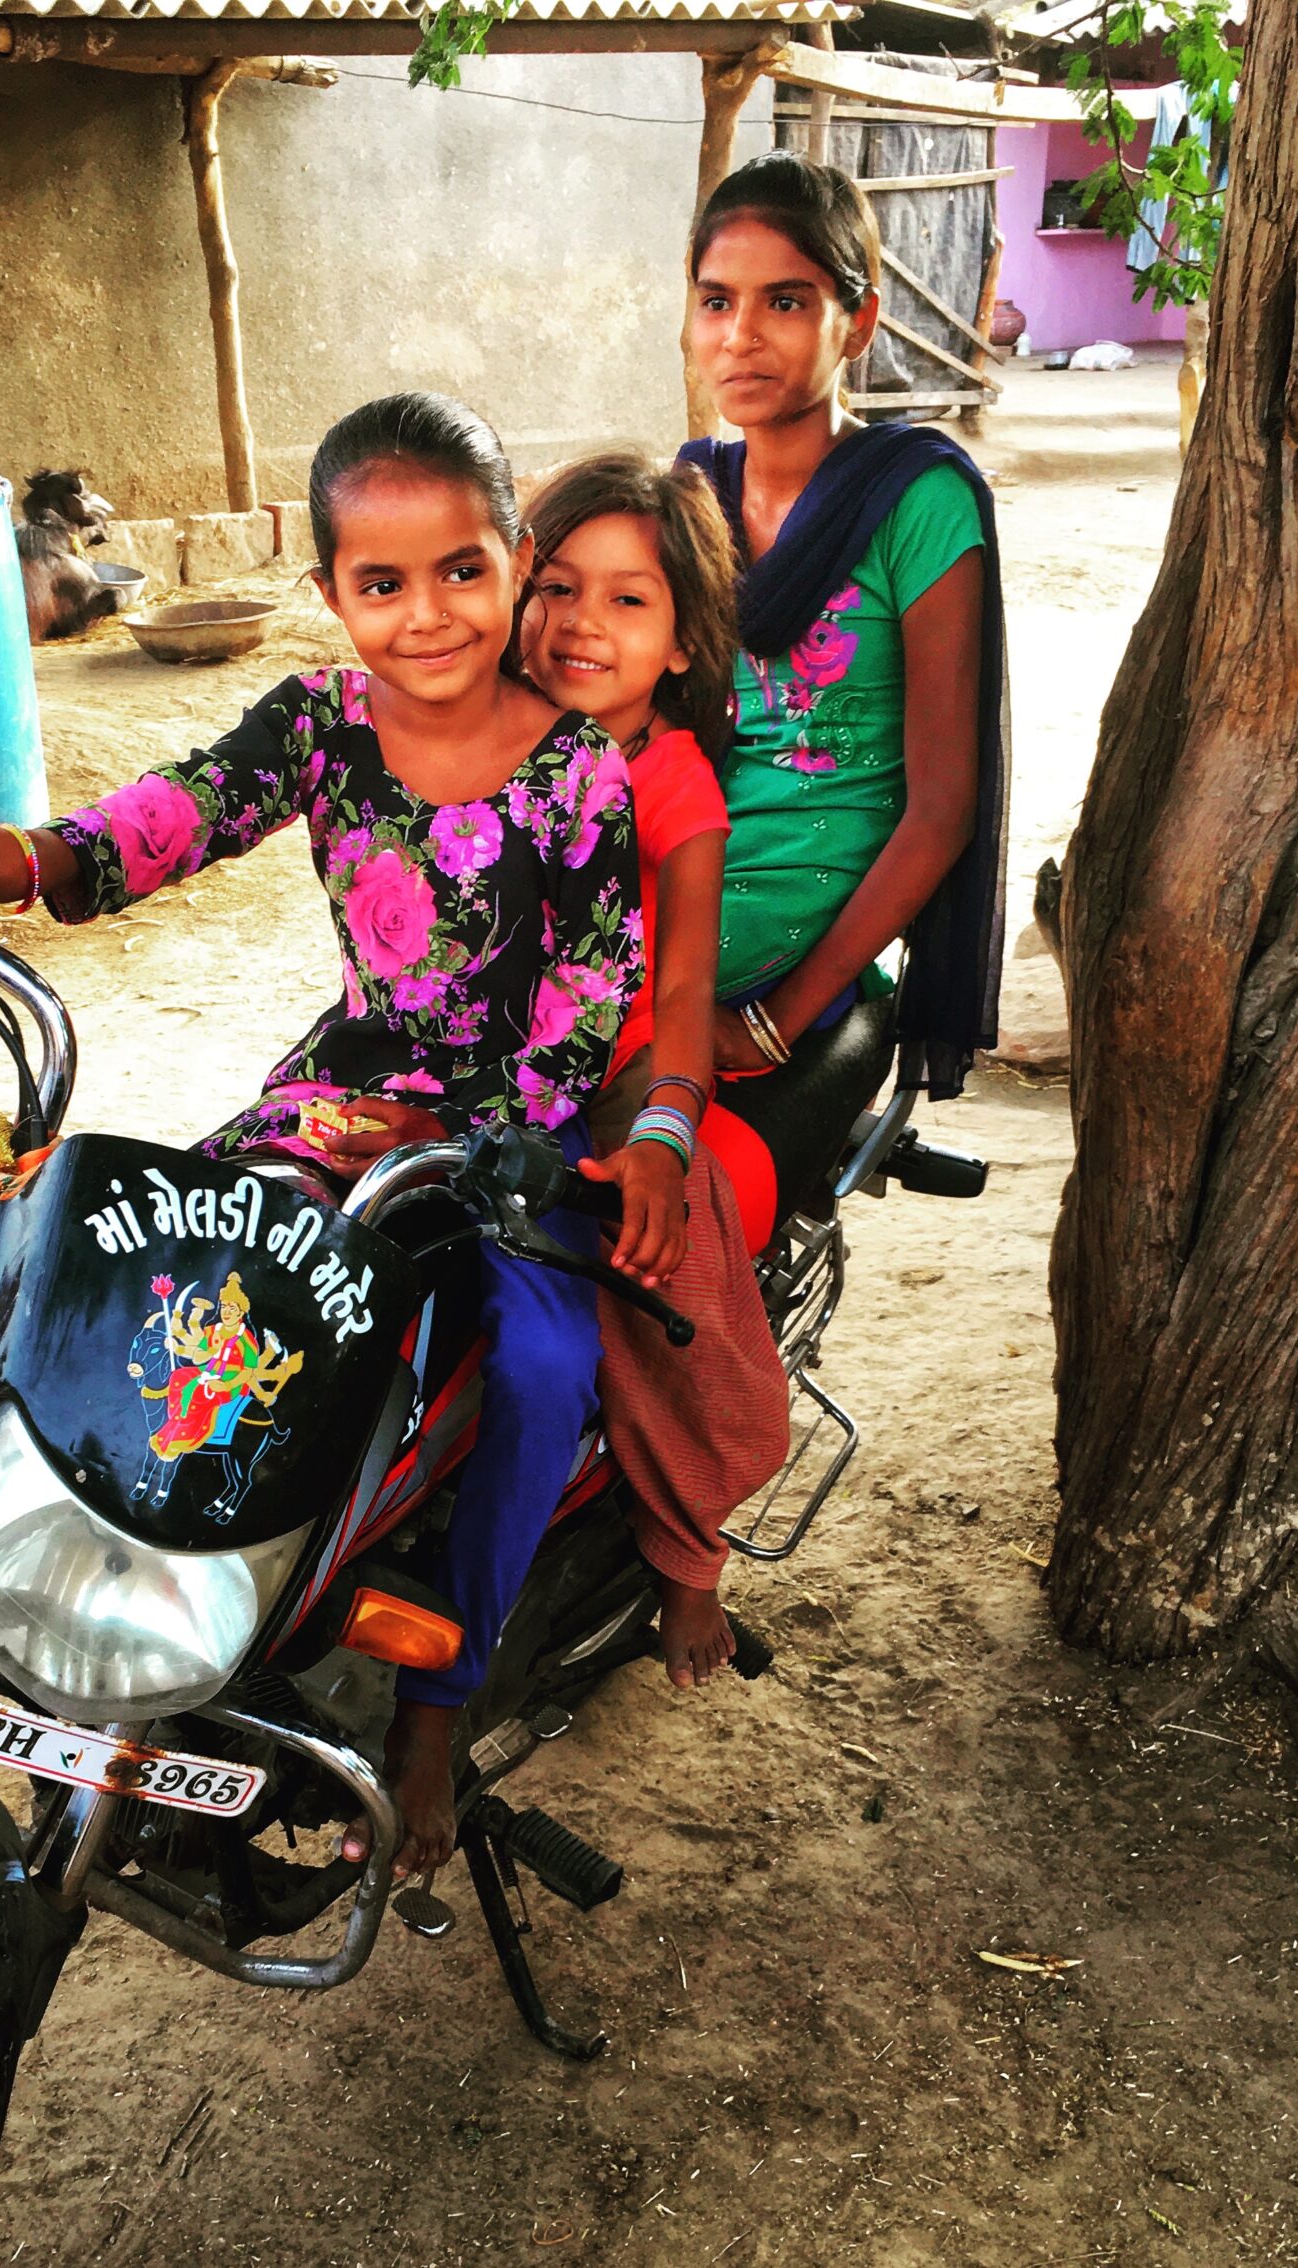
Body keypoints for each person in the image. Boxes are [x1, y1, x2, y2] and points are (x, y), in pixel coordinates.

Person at [0, 392, 642, 1886]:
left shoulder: (583, 770)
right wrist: (21, 859)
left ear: (517, 562)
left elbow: (592, 997)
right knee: (164, 1276)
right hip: (335, 1100)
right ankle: (120, 1603)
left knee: (539, 1371)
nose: (428, 614)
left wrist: (482, 1130)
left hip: (508, 1140)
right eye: (380, 584)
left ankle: (436, 1715)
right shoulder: (324, 726)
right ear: (331, 595)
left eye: (462, 570)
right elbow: (178, 812)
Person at [517, 453, 790, 1688]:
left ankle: (684, 1552)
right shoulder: (476, 725)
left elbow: (677, 993)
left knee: (654, 1249)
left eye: (628, 600)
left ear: (681, 645)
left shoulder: (668, 782)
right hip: (469, 1052)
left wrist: (660, 1140)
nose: (582, 622)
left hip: (619, 1060)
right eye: (558, 585)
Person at [680, 149, 1009, 1136]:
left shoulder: (915, 495)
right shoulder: (689, 490)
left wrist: (775, 1020)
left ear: (854, 322)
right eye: (713, 301)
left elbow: (941, 805)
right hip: (680, 858)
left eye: (784, 302)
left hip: (795, 909)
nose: (739, 336)